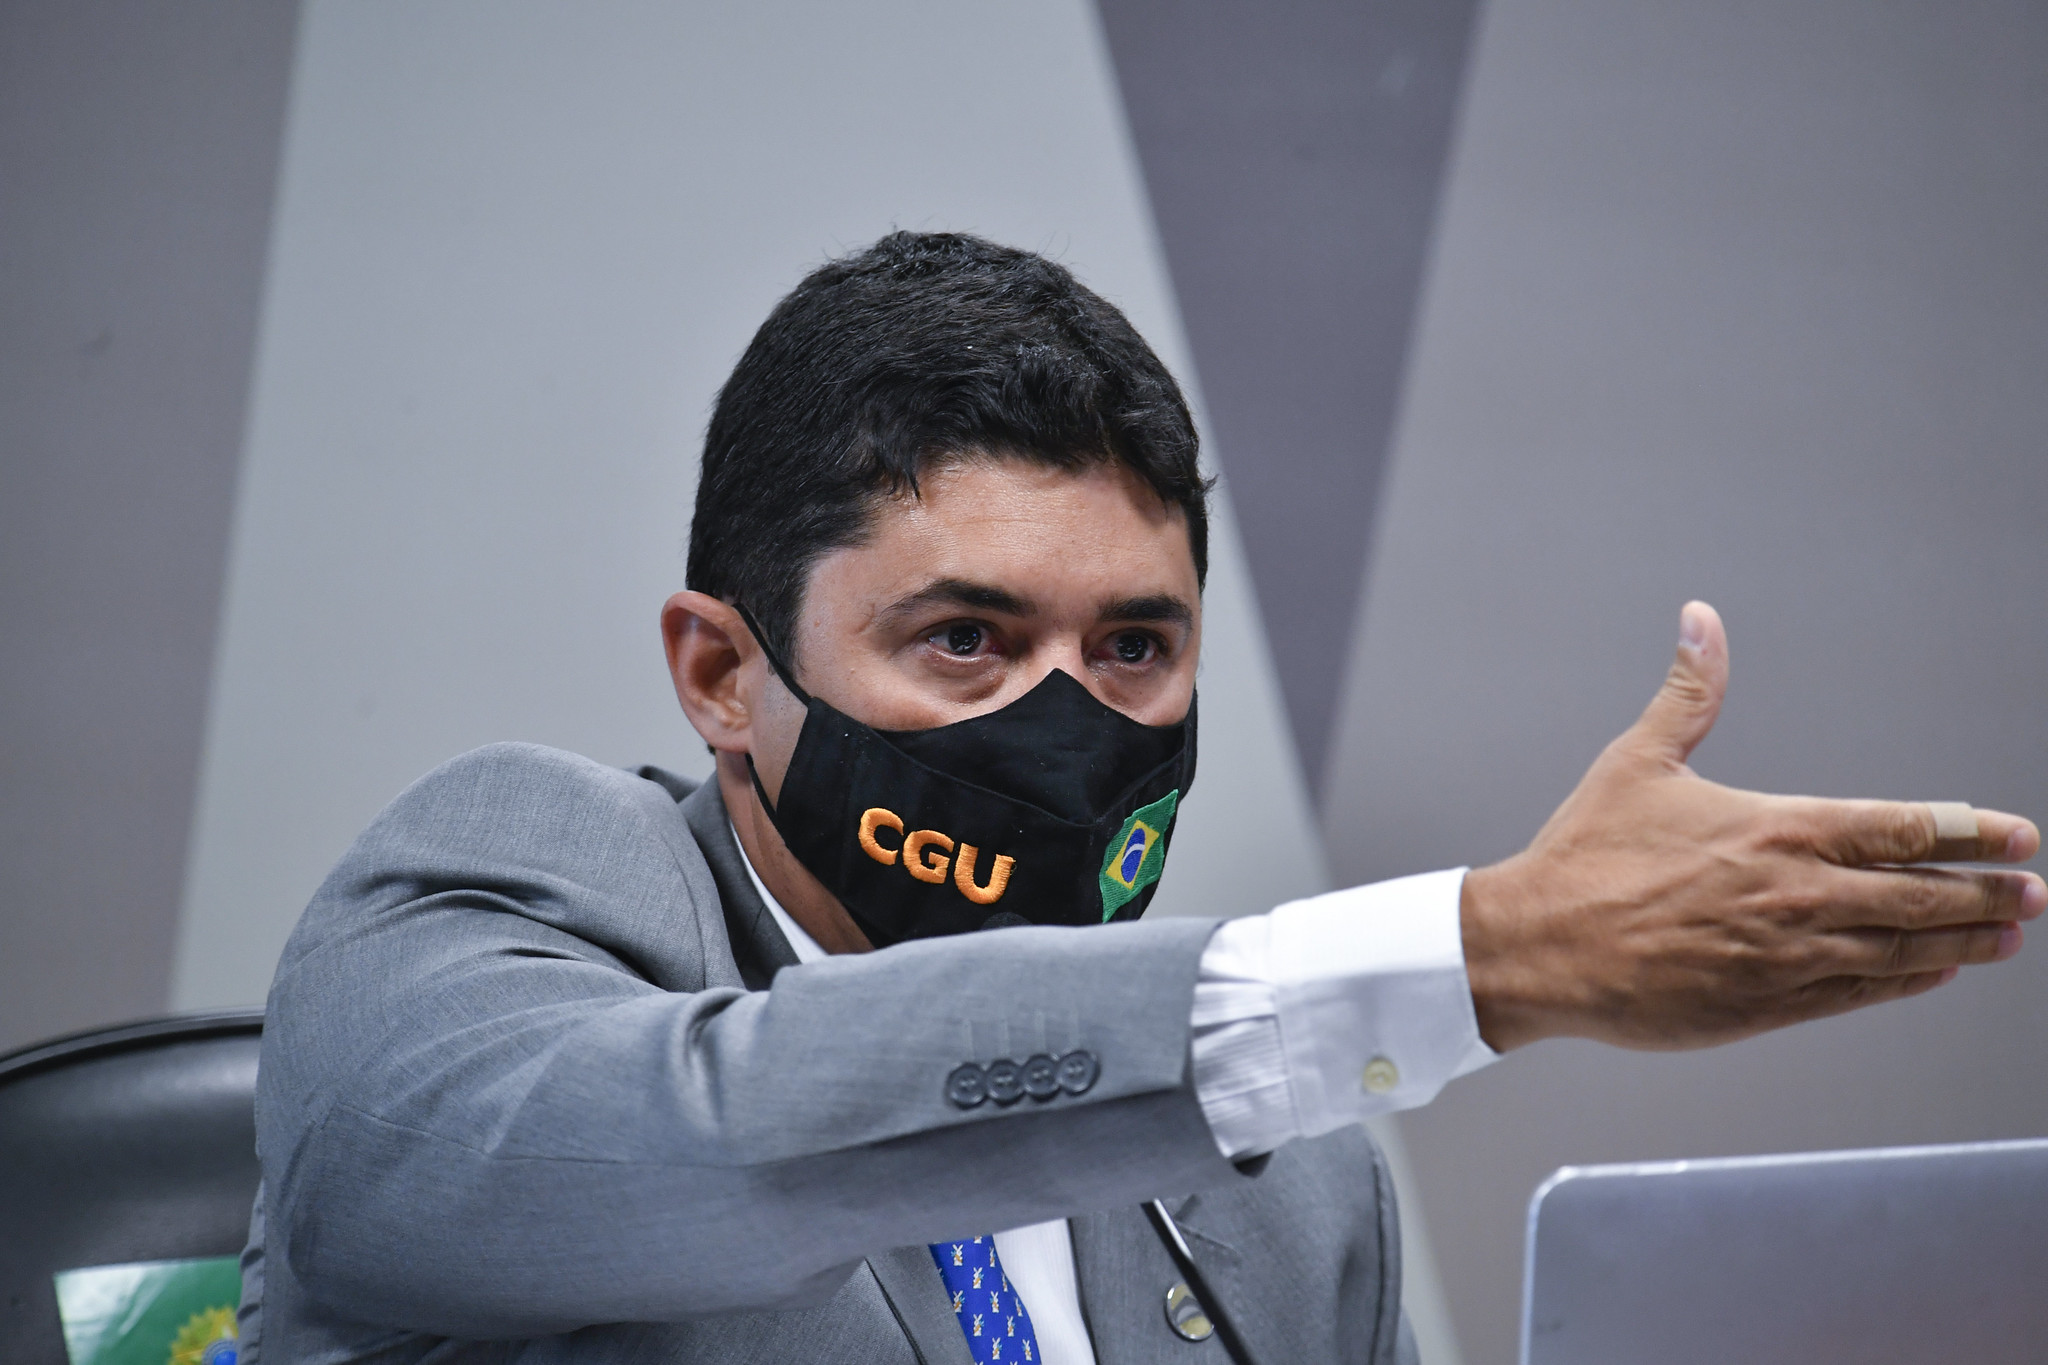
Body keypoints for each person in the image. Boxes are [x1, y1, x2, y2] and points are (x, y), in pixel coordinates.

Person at [240, 232, 2040, 1365]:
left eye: (1132, 648)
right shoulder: (513, 884)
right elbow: (736, 1122)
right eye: (965, 639)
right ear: (723, 670)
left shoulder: (1288, 1158)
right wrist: (1478, 955)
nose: (1062, 720)